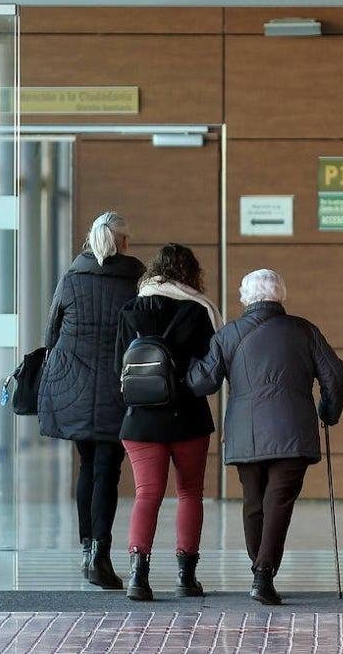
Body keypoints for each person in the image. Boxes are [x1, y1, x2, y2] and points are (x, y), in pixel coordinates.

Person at [187, 269, 343, 606]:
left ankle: (260, 569)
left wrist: (182, 365)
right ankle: (263, 574)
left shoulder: (228, 334)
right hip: (293, 431)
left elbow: (204, 382)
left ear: (246, 297)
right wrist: (328, 411)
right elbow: (335, 373)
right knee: (278, 502)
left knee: (254, 502)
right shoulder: (304, 330)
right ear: (280, 295)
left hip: (246, 434)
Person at [37, 211, 145, 589]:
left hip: (74, 386)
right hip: (118, 388)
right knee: (107, 470)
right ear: (124, 243)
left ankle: (87, 551)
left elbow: (51, 333)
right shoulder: (136, 282)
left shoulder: (71, 279)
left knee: (87, 466)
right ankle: (100, 553)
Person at [115, 244, 223, 602]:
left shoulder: (130, 309)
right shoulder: (200, 311)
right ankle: (186, 577)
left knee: (147, 494)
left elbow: (120, 367)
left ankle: (137, 577)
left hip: (141, 421)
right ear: (191, 274)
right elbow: (212, 367)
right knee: (190, 493)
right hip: (188, 418)